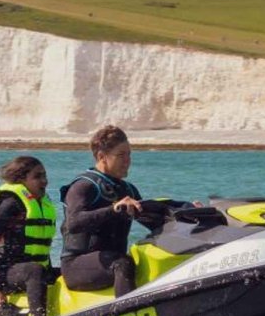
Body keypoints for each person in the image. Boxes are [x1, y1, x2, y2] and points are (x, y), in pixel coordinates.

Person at [59, 125, 178, 297]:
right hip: (77, 266)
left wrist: (189, 213)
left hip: (109, 259)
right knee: (122, 263)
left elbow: (153, 216)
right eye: (121, 155)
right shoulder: (83, 186)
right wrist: (114, 210)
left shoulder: (128, 189)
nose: (128, 160)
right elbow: (74, 223)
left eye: (129, 154)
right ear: (102, 157)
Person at [0, 156, 57, 316]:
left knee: (67, 272)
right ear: (21, 179)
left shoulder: (41, 203)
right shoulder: (10, 205)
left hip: (34, 270)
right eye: (38, 176)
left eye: (45, 176)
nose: (44, 181)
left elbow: (38, 246)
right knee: (34, 270)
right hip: (8, 273)